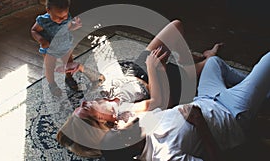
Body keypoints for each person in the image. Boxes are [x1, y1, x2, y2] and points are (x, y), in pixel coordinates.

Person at [59, 49, 270, 161]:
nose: (129, 124)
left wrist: (158, 72)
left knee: (214, 64)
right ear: (129, 147)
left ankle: (262, 95)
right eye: (124, 132)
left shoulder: (141, 126)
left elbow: (164, 108)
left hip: (206, 99)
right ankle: (255, 93)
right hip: (230, 114)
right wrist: (200, 124)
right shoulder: (165, 155)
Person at [55, 20, 225, 158]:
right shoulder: (126, 120)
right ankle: (205, 59)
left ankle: (187, 60)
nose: (83, 102)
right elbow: (159, 103)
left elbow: (101, 80)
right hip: (159, 80)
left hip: (136, 70)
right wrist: (154, 69)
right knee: (210, 64)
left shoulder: (100, 103)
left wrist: (81, 68)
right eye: (84, 108)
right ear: (98, 120)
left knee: (176, 26)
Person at [31, 0, 82, 96]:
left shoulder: (66, 17)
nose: (61, 19)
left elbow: (67, 27)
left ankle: (69, 78)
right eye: (57, 17)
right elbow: (33, 31)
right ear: (48, 10)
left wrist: (74, 26)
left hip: (65, 46)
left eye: (64, 16)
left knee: (69, 64)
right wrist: (42, 40)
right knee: (50, 67)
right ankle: (52, 84)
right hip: (49, 49)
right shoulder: (43, 21)